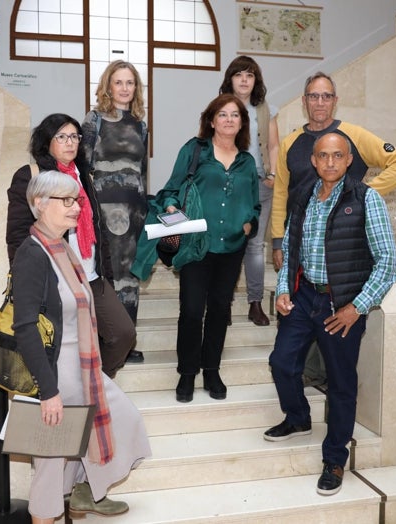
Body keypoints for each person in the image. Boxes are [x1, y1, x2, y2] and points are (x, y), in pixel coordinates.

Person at [12, 170, 151, 523]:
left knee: (123, 421)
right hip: (56, 378)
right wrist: (48, 392)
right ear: (40, 205)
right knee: (49, 469)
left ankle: (82, 493)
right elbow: (25, 327)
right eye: (68, 201)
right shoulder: (33, 254)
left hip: (85, 374)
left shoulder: (64, 251)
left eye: (78, 201)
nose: (76, 208)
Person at [264, 132, 396, 496]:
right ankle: (298, 418)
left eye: (338, 156)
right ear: (314, 160)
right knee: (281, 362)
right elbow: (291, 247)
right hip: (305, 295)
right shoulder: (304, 197)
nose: (330, 163)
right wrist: (283, 289)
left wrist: (357, 307)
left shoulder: (367, 198)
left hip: (342, 304)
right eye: (323, 156)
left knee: (341, 383)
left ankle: (335, 458)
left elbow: (387, 262)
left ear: (349, 159)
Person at [270, 71, 396, 386]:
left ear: (335, 100)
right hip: (302, 245)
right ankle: (304, 383)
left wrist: (364, 192)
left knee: (334, 326)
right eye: (313, 95)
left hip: (344, 250)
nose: (319, 102)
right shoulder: (290, 143)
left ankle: (326, 386)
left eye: (326, 95)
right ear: (305, 101)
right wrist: (278, 241)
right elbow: (281, 191)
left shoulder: (354, 135)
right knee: (297, 316)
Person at [6, 114, 136, 378]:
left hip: (91, 275)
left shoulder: (84, 176)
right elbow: (18, 233)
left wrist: (106, 276)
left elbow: (99, 230)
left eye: (75, 136)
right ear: (47, 142)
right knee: (61, 346)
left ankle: (98, 381)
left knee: (123, 334)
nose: (70, 142)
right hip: (55, 277)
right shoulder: (31, 176)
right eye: (62, 137)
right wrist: (28, 278)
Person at [157, 93, 260, 403]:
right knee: (191, 310)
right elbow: (170, 190)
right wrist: (172, 207)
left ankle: (211, 369)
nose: (229, 119)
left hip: (232, 247)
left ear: (242, 123)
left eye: (235, 115)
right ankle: (187, 373)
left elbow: (254, 205)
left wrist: (248, 224)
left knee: (219, 309)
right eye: (223, 114)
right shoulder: (195, 150)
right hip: (197, 244)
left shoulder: (247, 161)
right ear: (212, 120)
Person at [82, 60, 149, 364]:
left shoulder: (140, 125)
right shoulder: (94, 120)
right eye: (119, 82)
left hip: (133, 213)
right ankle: (104, 341)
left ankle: (127, 340)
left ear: (136, 88)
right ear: (108, 86)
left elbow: (141, 172)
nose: (124, 88)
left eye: (130, 83)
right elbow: (82, 168)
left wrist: (146, 209)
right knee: (105, 274)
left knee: (129, 276)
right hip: (102, 213)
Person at [219, 55, 279, 327]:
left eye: (250, 75)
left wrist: (272, 175)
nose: (244, 80)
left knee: (255, 245)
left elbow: (274, 145)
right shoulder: (220, 108)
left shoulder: (265, 109)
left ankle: (255, 303)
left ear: (256, 80)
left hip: (258, 183)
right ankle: (223, 302)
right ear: (230, 78)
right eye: (239, 74)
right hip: (229, 182)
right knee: (228, 241)